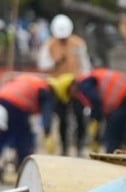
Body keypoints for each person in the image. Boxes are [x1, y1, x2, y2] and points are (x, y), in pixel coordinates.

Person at [37, 14, 91, 156]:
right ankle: (64, 148)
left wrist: (85, 80)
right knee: (62, 119)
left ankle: (79, 146)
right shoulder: (49, 44)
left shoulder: (78, 43)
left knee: (80, 117)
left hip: (76, 86)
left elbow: (85, 64)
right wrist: (56, 62)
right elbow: (43, 64)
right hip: (58, 88)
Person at [0, 73, 59, 167]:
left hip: (1, 98)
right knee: (24, 138)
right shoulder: (45, 91)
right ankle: (23, 167)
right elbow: (47, 113)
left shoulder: (32, 80)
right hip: (18, 104)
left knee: (0, 135)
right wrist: (47, 133)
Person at [74, 67, 126, 153]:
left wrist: (95, 119)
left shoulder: (84, 84)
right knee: (117, 130)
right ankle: (116, 153)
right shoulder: (90, 77)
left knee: (112, 132)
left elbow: (96, 101)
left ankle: (111, 155)